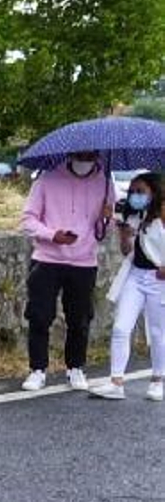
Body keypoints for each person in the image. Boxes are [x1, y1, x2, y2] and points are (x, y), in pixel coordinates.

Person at [20, 150, 113, 392]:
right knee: (40, 315)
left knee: (80, 318)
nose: (86, 160)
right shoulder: (47, 178)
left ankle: (75, 368)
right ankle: (38, 369)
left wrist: (106, 218)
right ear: (71, 154)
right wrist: (52, 235)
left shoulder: (105, 181)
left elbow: (105, 230)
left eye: (92, 156)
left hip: (84, 261)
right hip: (47, 258)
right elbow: (28, 221)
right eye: (81, 155)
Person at [89, 172, 165, 401]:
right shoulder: (131, 216)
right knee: (121, 327)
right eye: (132, 192)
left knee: (158, 332)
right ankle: (116, 382)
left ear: (154, 191)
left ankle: (158, 379)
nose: (135, 196)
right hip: (135, 276)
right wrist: (124, 236)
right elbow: (126, 252)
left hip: (158, 280)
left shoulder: (162, 214)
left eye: (141, 191)